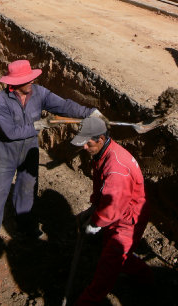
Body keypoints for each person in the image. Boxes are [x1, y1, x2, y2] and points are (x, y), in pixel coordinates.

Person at [0, 59, 105, 253]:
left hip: (30, 152)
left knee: (27, 191)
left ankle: (26, 226)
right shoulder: (0, 102)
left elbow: (63, 105)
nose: (31, 82)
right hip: (5, 153)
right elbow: (10, 132)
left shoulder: (39, 93)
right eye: (27, 80)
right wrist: (38, 125)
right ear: (15, 84)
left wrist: (89, 112)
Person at [72, 117, 152, 305]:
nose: (84, 147)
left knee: (108, 264)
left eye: (87, 143)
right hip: (118, 211)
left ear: (100, 139)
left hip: (128, 218)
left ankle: (87, 301)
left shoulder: (116, 168)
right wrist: (93, 208)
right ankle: (146, 277)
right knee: (115, 255)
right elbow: (102, 189)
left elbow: (112, 207)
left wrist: (94, 223)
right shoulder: (103, 153)